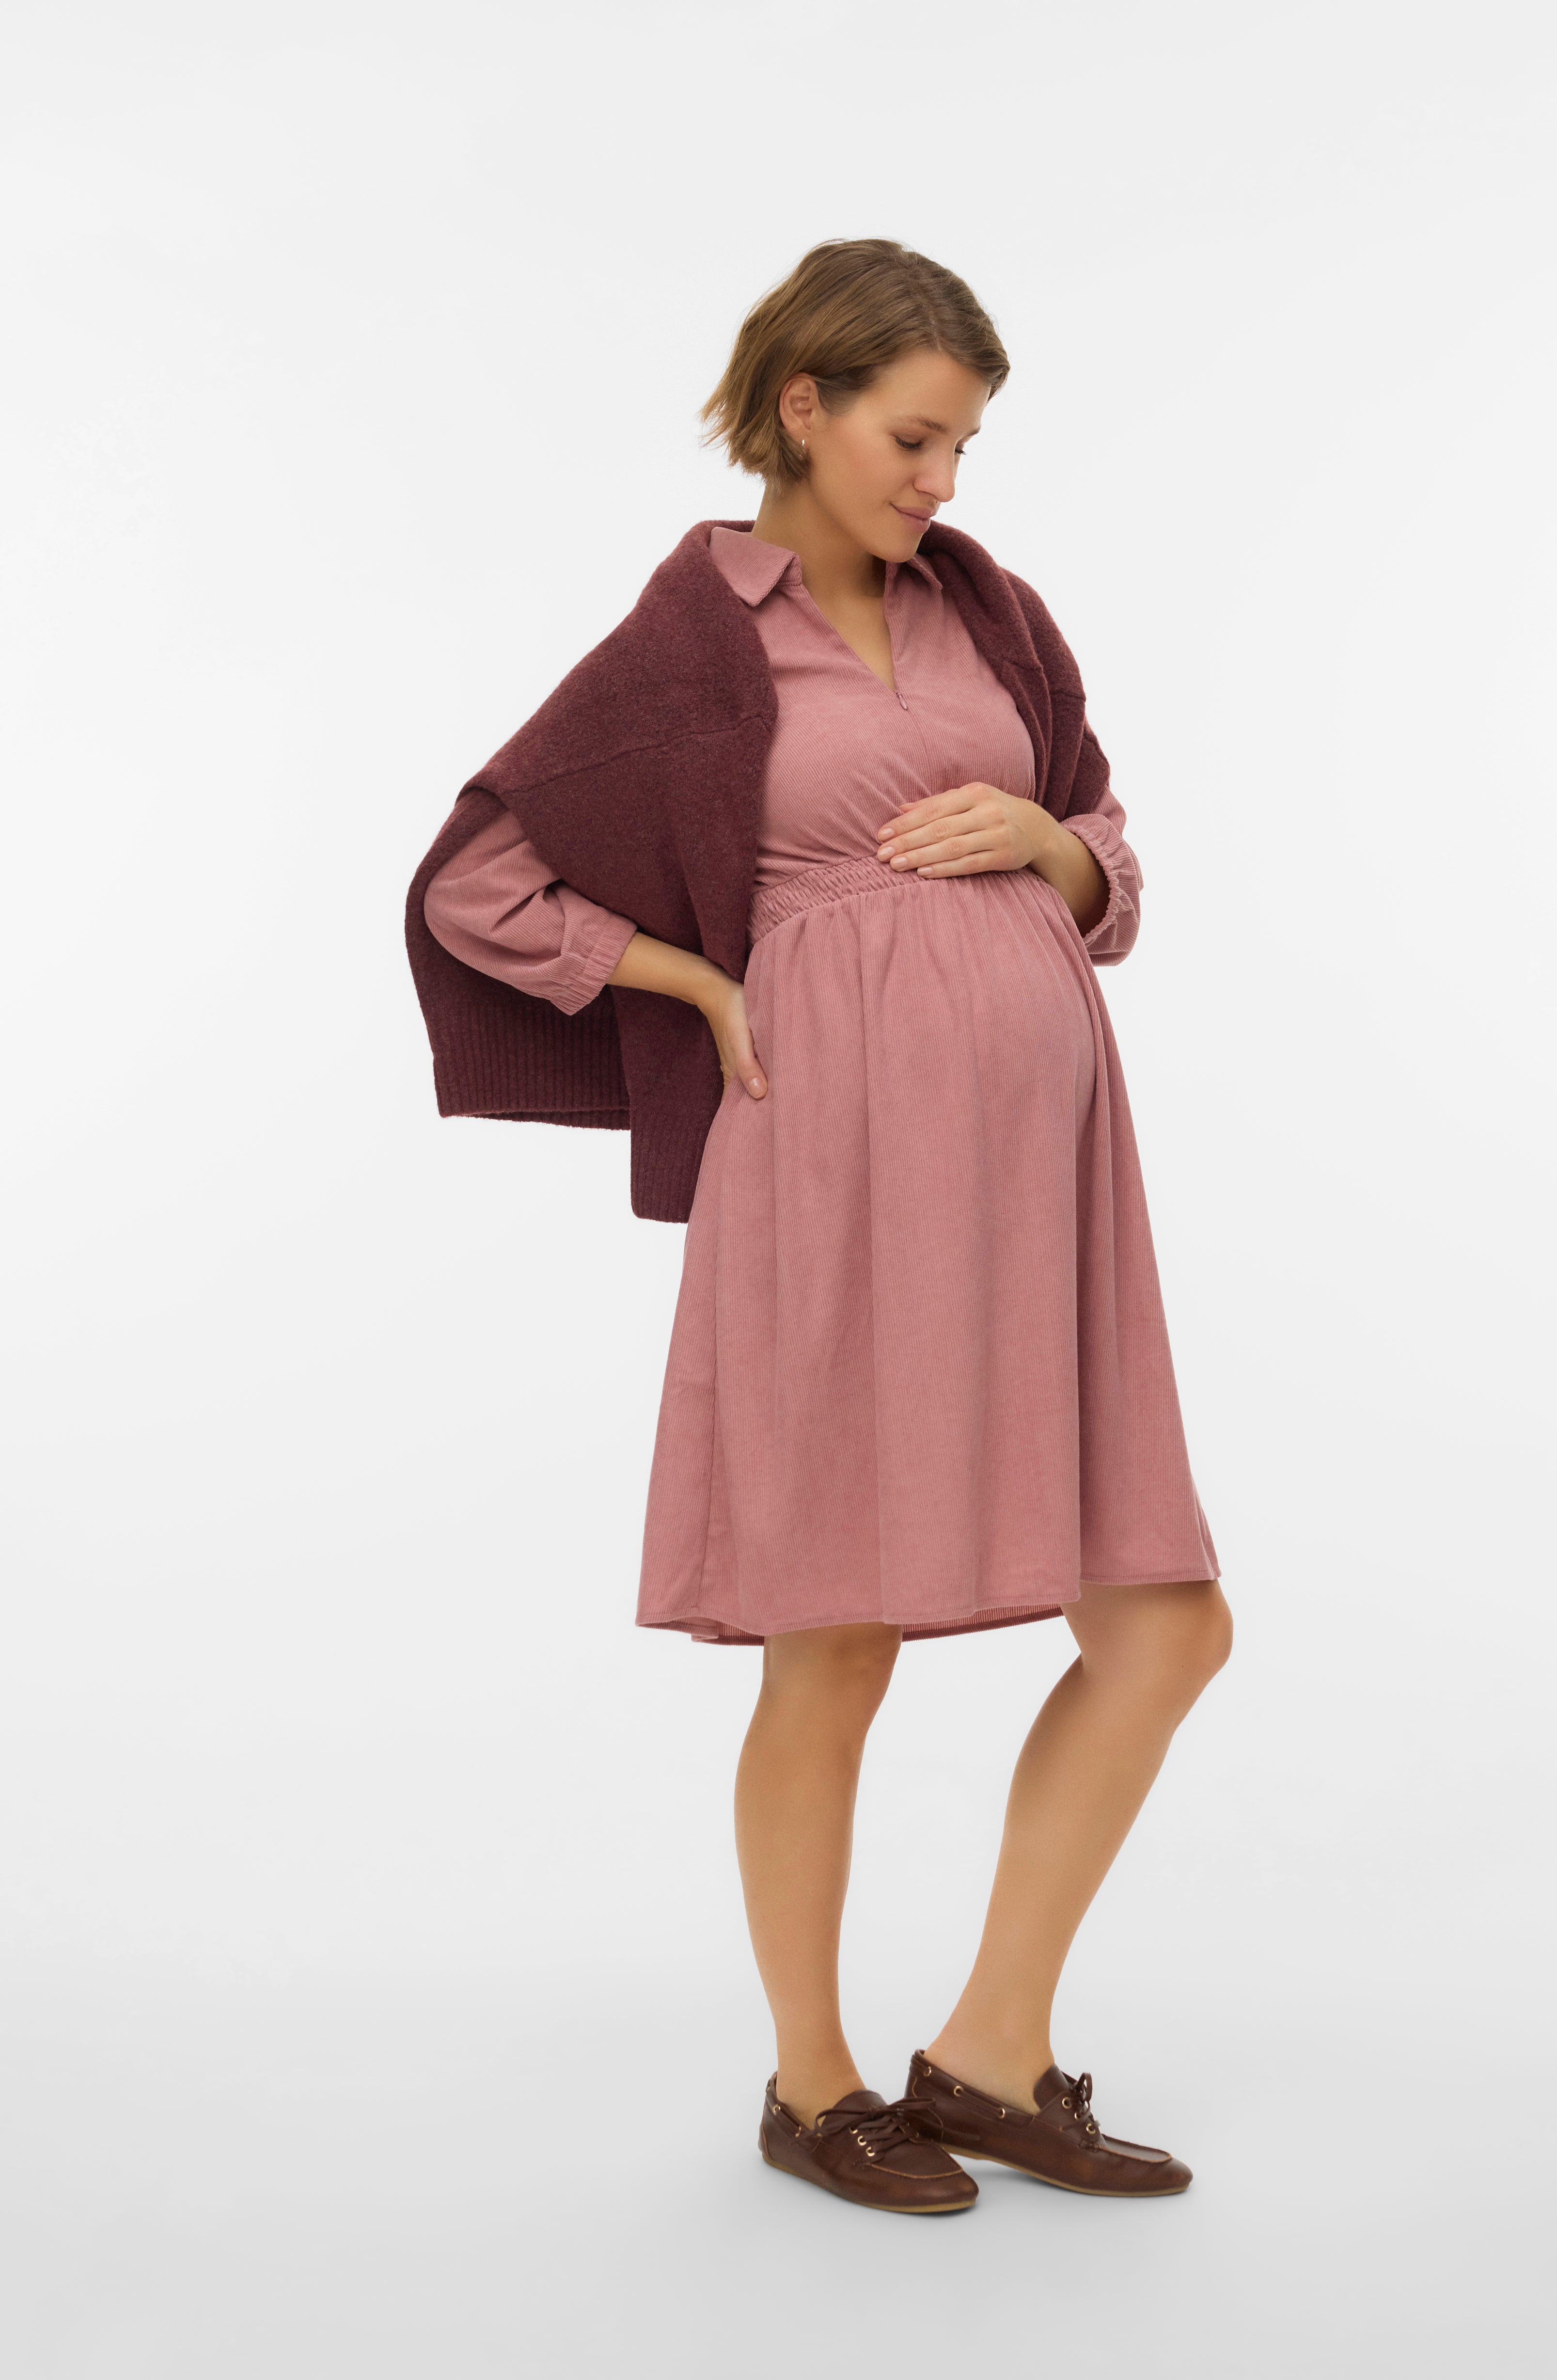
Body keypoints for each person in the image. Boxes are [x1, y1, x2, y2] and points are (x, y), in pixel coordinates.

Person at [406, 238, 1232, 2216]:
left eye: (964, 448)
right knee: (835, 1642)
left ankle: (991, 2055)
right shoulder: (693, 643)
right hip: (837, 1179)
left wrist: (1050, 850)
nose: (940, 481)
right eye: (912, 438)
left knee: (1165, 1622)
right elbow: (472, 882)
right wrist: (691, 981)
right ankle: (812, 2084)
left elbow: (1108, 841)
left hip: (1050, 1187)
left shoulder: (989, 612)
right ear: (803, 406)